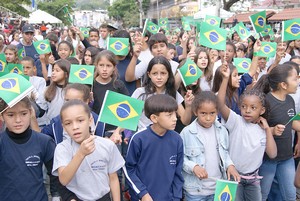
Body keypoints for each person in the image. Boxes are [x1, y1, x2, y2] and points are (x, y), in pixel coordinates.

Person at [217, 63, 277, 201]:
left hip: (253, 180)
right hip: (234, 177)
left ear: (262, 111)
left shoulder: (263, 128)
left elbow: (272, 154)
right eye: (244, 106)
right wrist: (225, 79)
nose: (247, 110)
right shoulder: (236, 121)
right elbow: (220, 104)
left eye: (253, 107)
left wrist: (268, 129)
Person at [52, 99, 124, 201]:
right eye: (68, 123)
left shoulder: (107, 145)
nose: (75, 127)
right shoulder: (62, 148)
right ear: (63, 126)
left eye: (80, 120)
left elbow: (113, 178)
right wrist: (81, 154)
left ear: (90, 120)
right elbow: (63, 180)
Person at [180, 91, 240, 200]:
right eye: (203, 113)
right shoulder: (187, 133)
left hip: (218, 188)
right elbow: (180, 158)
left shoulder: (222, 130)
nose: (208, 118)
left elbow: (225, 153)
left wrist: (230, 165)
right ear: (195, 112)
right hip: (195, 191)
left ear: (217, 112)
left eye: (212, 113)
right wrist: (194, 167)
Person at [124, 94, 184, 201]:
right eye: (169, 115)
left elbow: (178, 173)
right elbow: (129, 169)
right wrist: (143, 194)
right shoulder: (138, 139)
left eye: (175, 113)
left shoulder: (177, 139)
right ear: (154, 118)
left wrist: (176, 198)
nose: (175, 118)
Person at [254, 64, 300, 201]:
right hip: (268, 160)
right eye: (295, 78)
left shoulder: (290, 100)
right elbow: (255, 129)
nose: (298, 81)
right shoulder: (266, 102)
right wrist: (272, 130)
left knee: (290, 196)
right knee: (262, 195)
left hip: (287, 158)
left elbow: (293, 123)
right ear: (283, 85)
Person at [0, 97, 56, 200]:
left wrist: (56, 196)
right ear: (2, 116)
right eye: (11, 115)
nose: (18, 120)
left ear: (31, 113)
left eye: (23, 114)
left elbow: (55, 174)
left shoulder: (44, 141)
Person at [131, 56, 193, 131]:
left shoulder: (172, 93)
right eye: (155, 73)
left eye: (163, 73)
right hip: (145, 137)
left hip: (167, 137)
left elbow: (185, 121)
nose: (159, 77)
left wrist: (188, 106)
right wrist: (118, 132)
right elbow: (128, 116)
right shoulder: (140, 93)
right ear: (149, 74)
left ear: (169, 74)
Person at [92, 50, 129, 131]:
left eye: (108, 66)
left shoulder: (118, 85)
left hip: (114, 130)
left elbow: (128, 110)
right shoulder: (90, 85)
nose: (104, 69)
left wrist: (121, 132)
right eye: (101, 65)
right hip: (94, 129)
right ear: (96, 66)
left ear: (114, 68)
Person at [44, 59, 70, 123]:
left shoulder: (71, 91)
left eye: (57, 71)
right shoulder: (47, 90)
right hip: (51, 126)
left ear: (66, 74)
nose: (53, 73)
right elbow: (41, 110)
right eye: (53, 70)